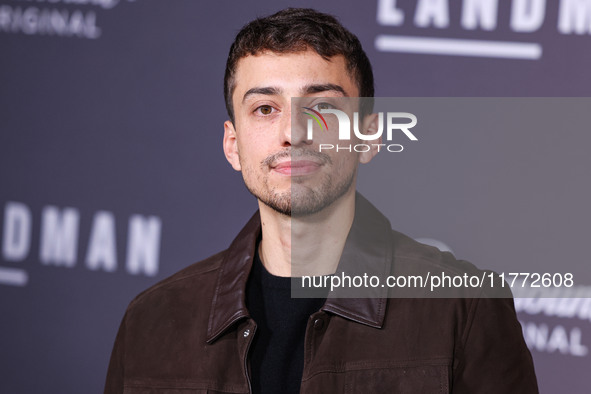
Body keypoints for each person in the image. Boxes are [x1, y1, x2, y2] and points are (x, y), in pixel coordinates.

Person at [104, 8, 538, 394]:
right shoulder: (151, 320)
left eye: (323, 108)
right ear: (233, 145)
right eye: (265, 109)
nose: (294, 132)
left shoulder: (463, 309)